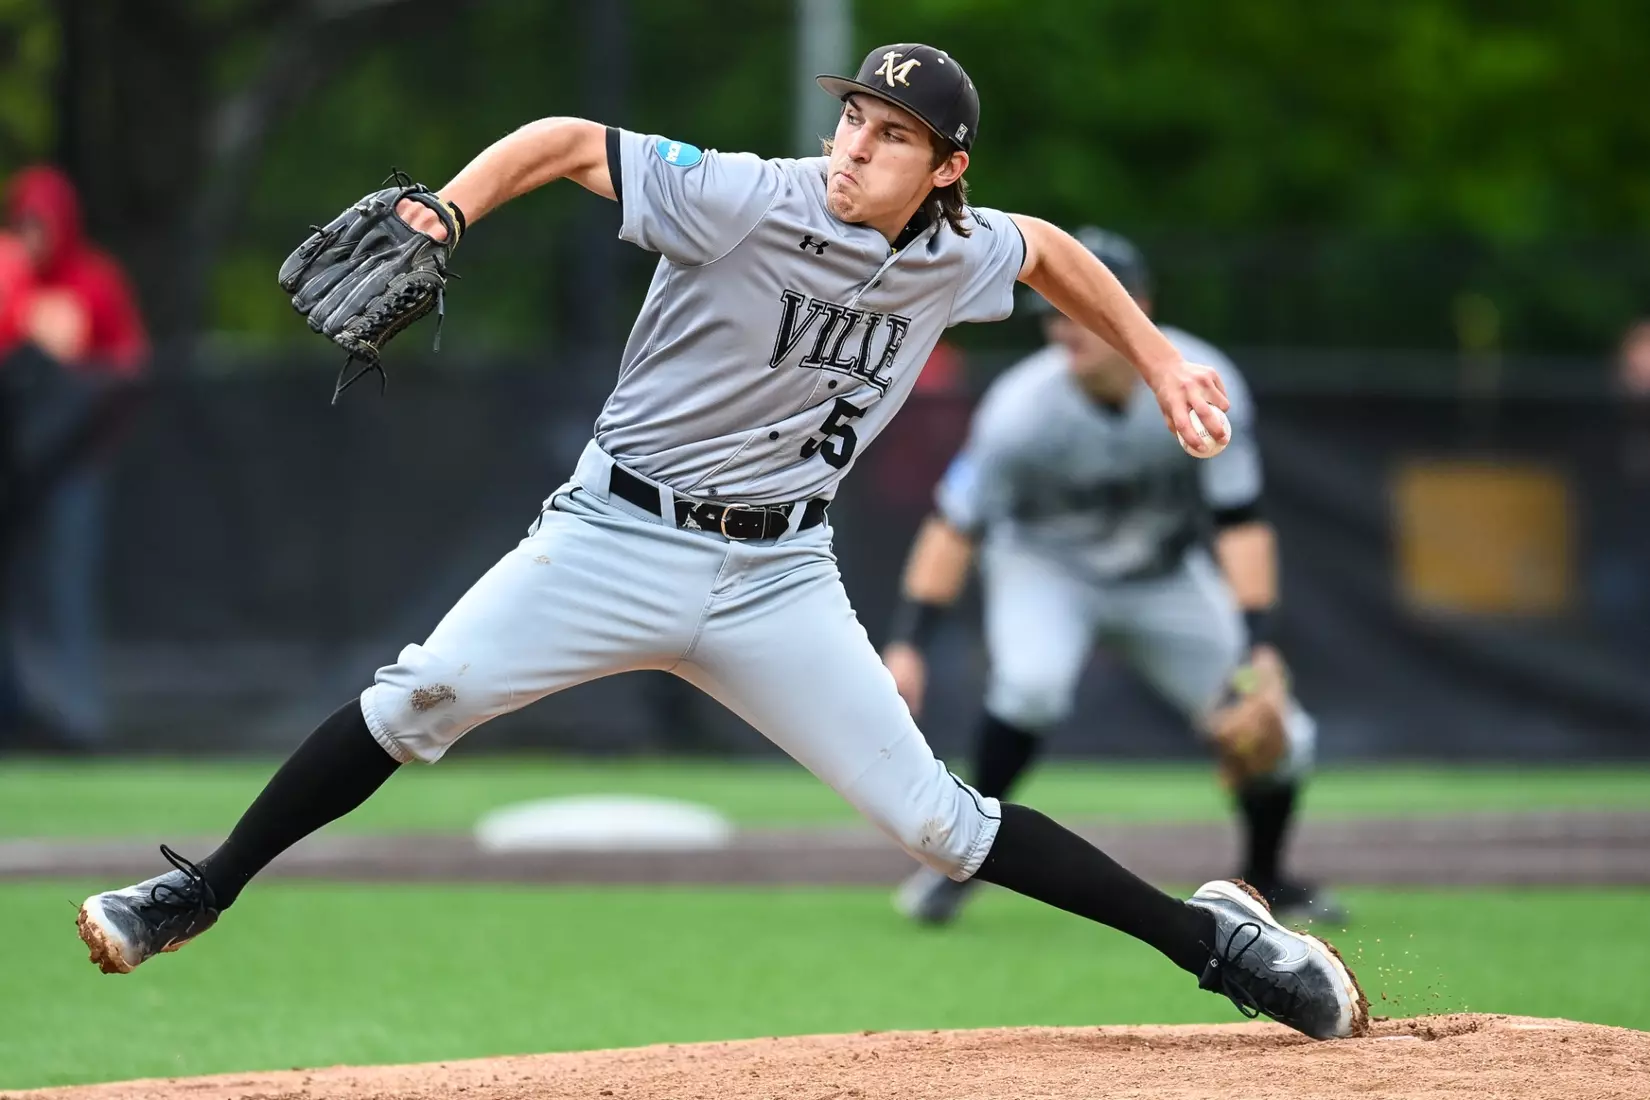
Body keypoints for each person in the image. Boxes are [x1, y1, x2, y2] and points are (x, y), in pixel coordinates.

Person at [75, 44, 1364, 1040]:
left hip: (780, 578)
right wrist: (450, 214)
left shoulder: (957, 252)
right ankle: (198, 892)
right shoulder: (746, 198)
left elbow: (1050, 255)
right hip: (615, 536)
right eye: (855, 116)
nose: (856, 142)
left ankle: (1221, 947)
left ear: (947, 168)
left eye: (894, 133)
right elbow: (566, 140)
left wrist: (1152, 357)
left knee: (937, 823)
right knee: (422, 695)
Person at [882, 228, 1344, 929]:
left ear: (1140, 307)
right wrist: (910, 641)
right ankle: (958, 863)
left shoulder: (1203, 380)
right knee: (1030, 686)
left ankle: (1268, 879)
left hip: (1161, 575)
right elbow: (954, 525)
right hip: (1048, 567)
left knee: (1280, 732)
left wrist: (1258, 646)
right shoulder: (1021, 408)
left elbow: (1241, 520)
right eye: (1054, 312)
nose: (1064, 328)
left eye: (1081, 308)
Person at [1, 166, 148, 749]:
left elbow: (130, 365)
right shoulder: (11, 275)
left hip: (69, 472)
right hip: (12, 473)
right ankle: (17, 711)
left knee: (67, 593)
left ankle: (76, 719)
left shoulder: (94, 281)